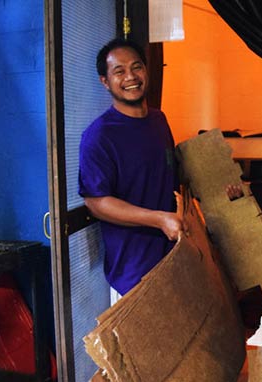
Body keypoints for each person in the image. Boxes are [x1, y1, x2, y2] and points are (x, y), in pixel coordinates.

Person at [79, 38, 184, 296]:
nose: (131, 76)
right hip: (134, 271)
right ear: (105, 81)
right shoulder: (100, 135)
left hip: (173, 258)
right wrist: (159, 219)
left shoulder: (159, 120)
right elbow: (96, 202)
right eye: (119, 71)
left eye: (136, 67)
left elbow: (170, 178)